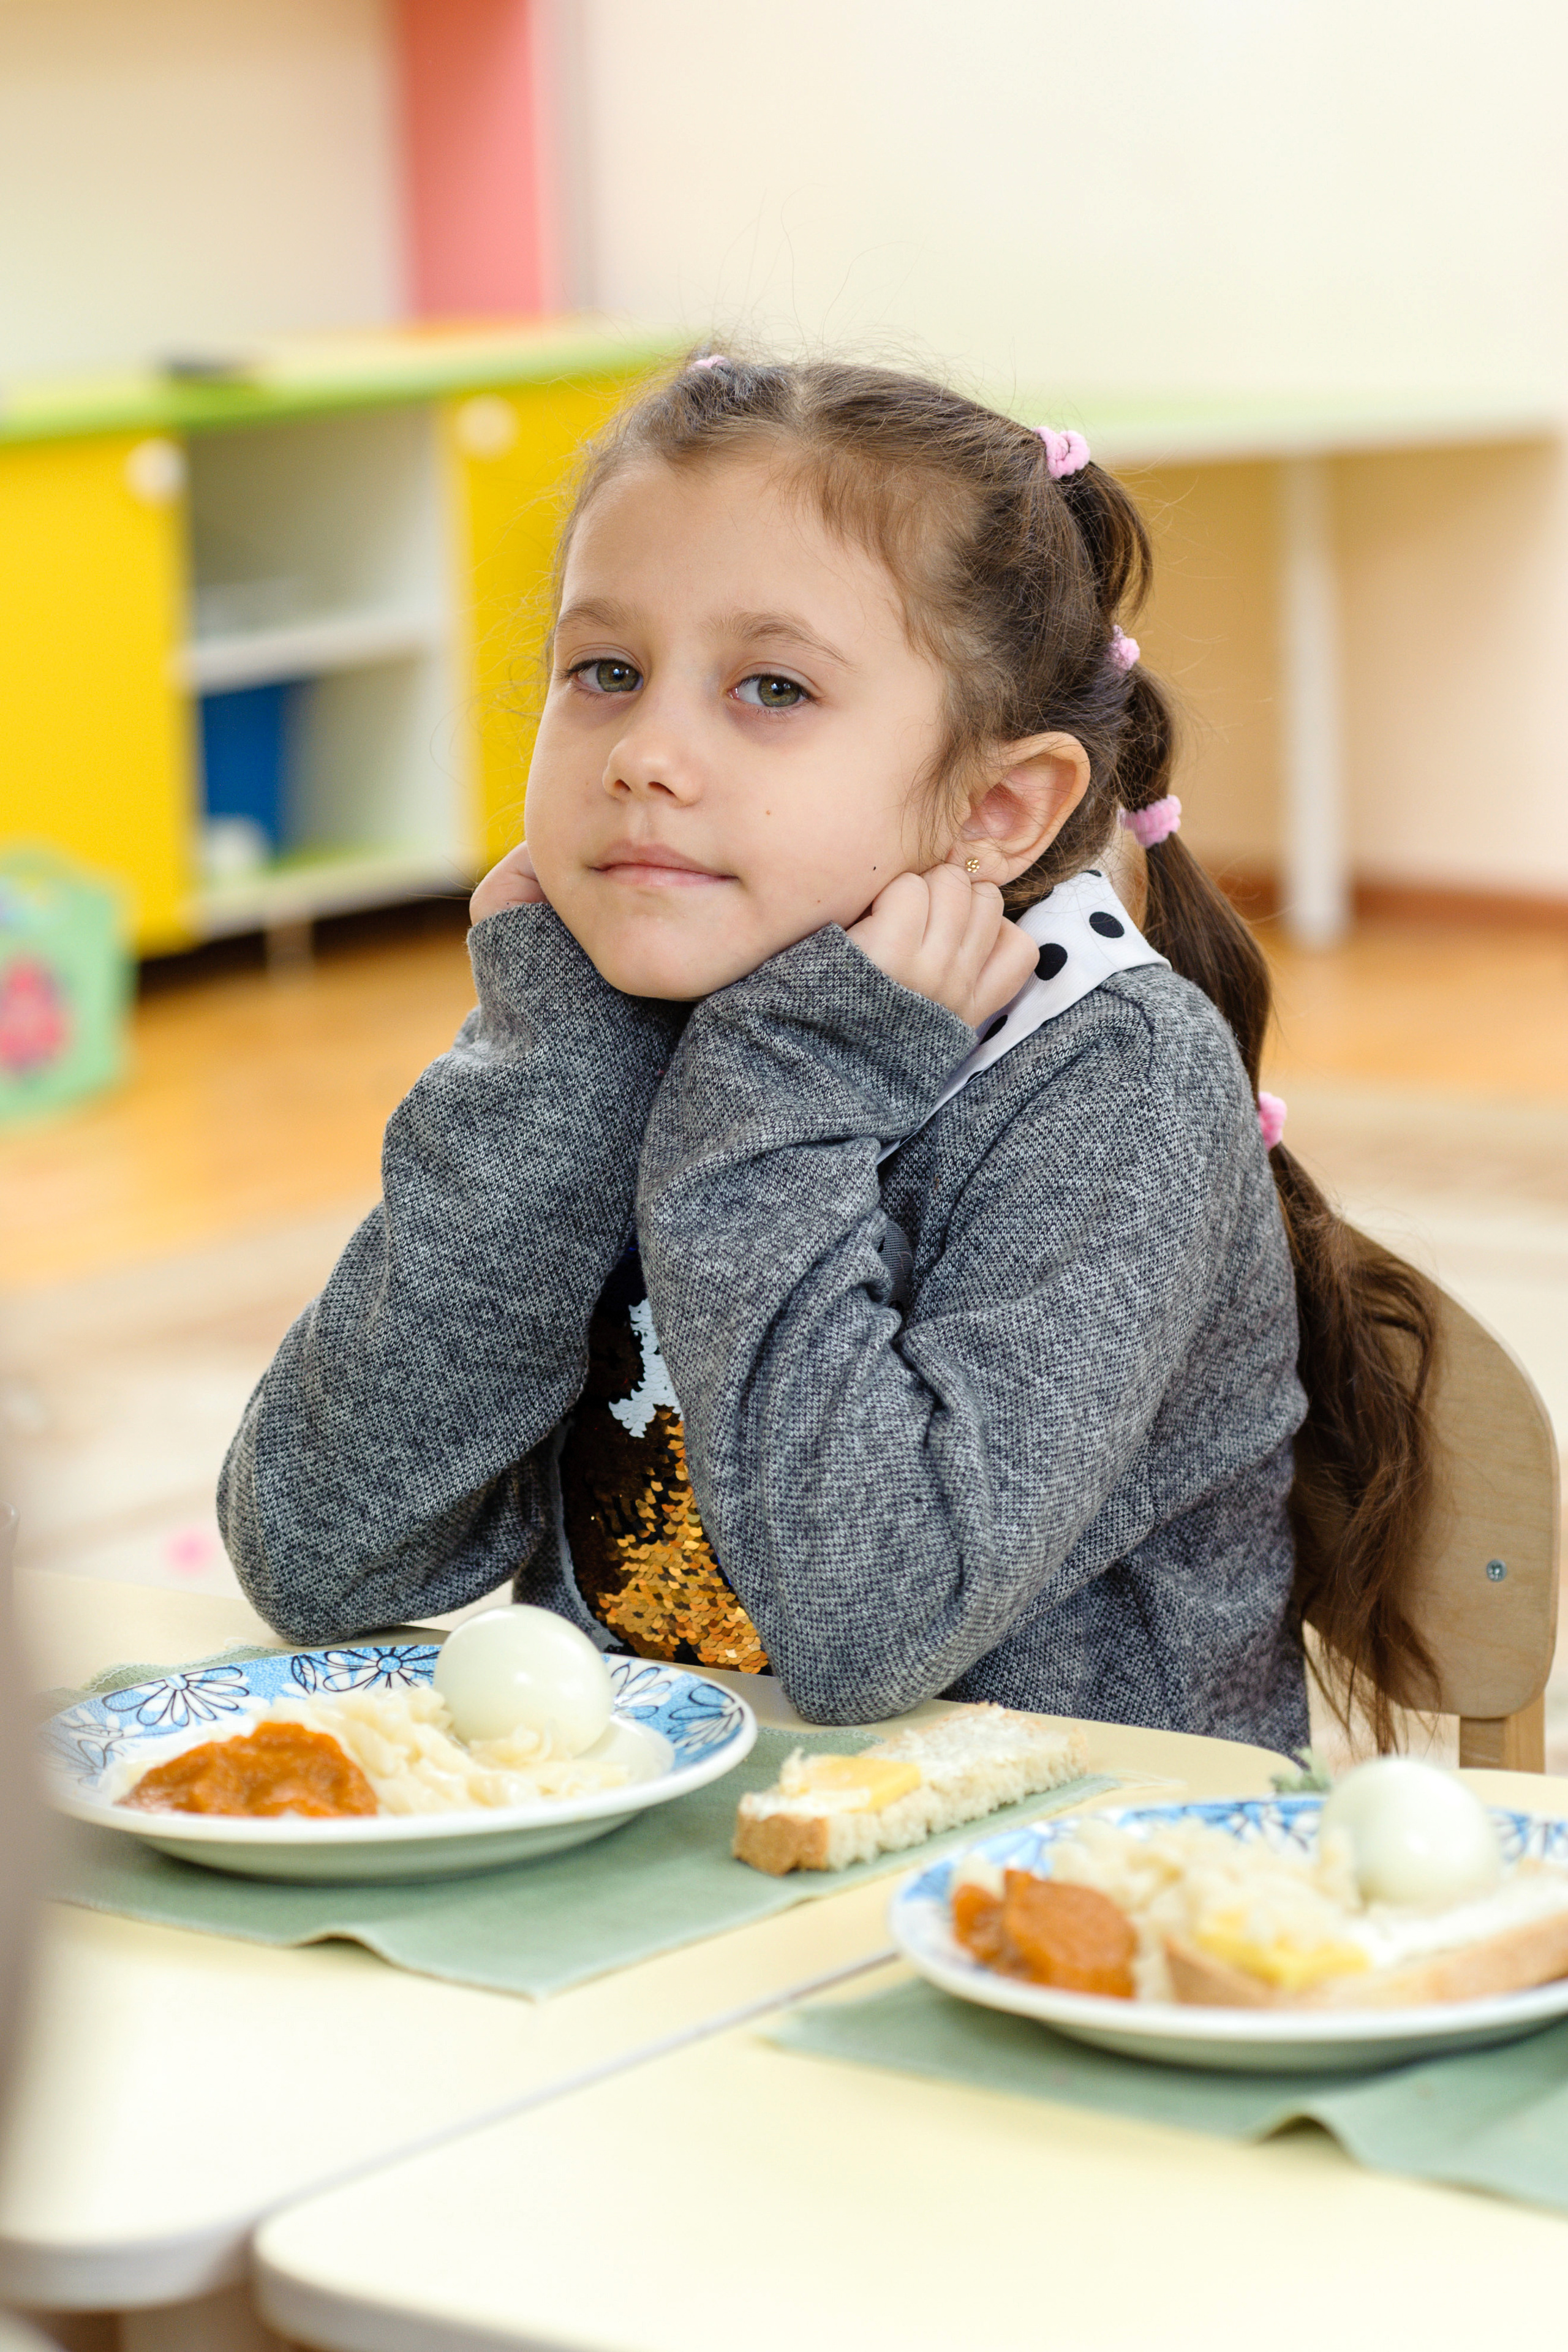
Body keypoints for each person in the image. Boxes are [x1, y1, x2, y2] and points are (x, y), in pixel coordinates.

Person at [220, 354, 1436, 1750]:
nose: (644, 755)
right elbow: (317, 1556)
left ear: (995, 810)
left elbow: (868, 1635)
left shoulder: (1115, 1081)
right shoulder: (614, 1016)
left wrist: (787, 1092)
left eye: (772, 688)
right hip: (674, 1837)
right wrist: (550, 1077)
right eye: (606, 672)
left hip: (1065, 1853)